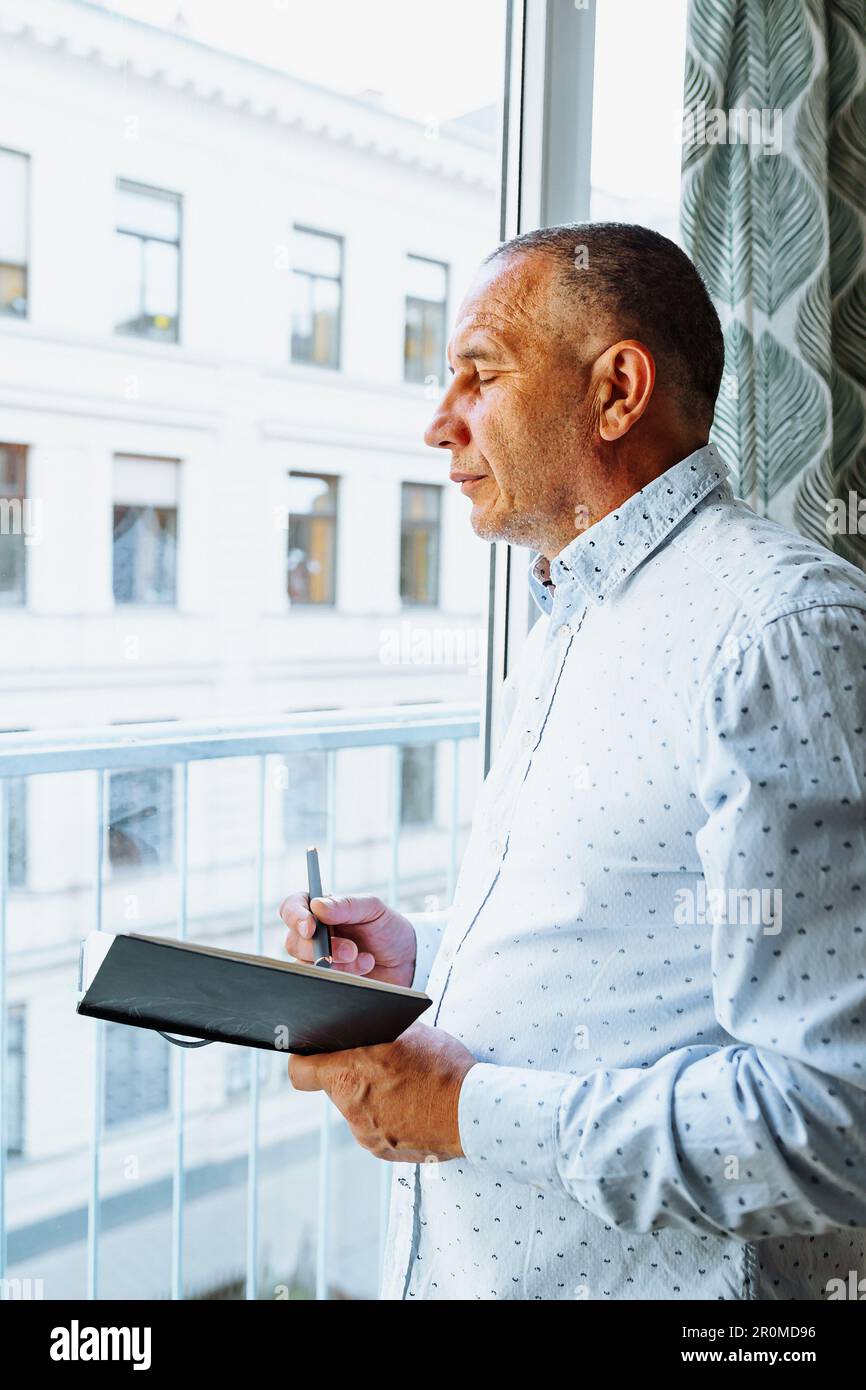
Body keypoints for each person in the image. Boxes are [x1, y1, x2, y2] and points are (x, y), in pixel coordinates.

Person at [281, 223, 866, 1301]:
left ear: (615, 391)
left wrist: (461, 1110)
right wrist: (424, 958)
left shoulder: (775, 632)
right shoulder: (566, 617)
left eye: (478, 373)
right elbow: (637, 941)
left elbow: (829, 1119)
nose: (437, 422)